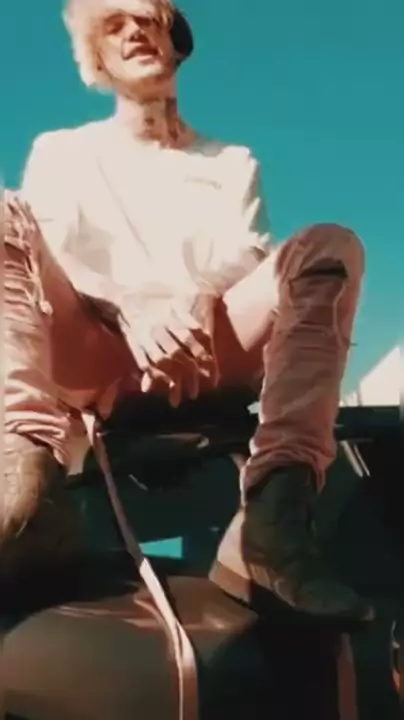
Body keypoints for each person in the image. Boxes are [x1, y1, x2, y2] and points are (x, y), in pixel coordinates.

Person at [3, 0, 372, 621]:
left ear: (177, 40)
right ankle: (27, 487)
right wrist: (131, 308)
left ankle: (274, 517)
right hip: (99, 359)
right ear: (97, 57)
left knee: (329, 247)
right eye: (114, 25)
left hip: (212, 351)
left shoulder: (231, 162)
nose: (134, 32)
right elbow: (56, 254)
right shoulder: (63, 151)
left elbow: (245, 253)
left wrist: (194, 297)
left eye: (148, 19)